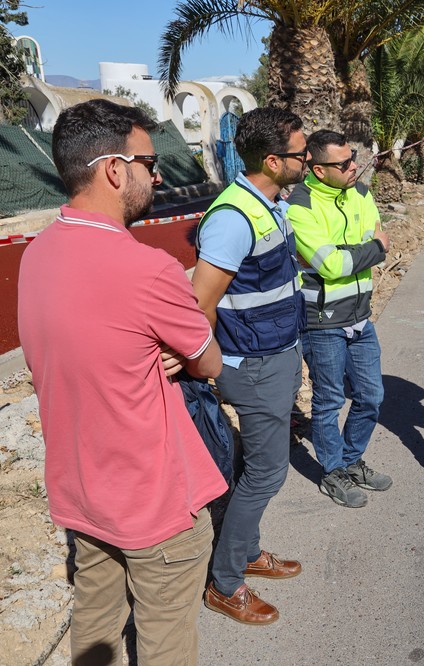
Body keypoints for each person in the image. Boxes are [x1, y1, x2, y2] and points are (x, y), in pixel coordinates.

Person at [17, 99, 227, 664]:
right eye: (149, 162)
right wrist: (176, 352)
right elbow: (209, 364)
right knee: (165, 643)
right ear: (114, 169)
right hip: (154, 499)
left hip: (81, 490)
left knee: (97, 625)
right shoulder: (147, 268)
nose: (157, 174)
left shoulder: (37, 254)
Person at [192, 107, 308, 625]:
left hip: (277, 354)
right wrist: (213, 367)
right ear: (272, 160)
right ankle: (225, 582)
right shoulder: (232, 219)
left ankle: (249, 551)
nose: (306, 161)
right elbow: (201, 304)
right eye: (300, 155)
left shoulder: (268, 202)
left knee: (259, 466)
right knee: (266, 472)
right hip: (253, 364)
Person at [286, 129, 393, 508]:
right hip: (323, 321)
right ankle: (332, 472)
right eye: (344, 163)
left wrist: (363, 250)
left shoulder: (362, 194)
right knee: (329, 400)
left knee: (371, 396)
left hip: (361, 316)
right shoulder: (299, 206)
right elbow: (332, 265)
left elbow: (376, 241)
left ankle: (350, 460)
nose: (353, 167)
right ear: (317, 169)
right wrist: (371, 248)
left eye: (353, 158)